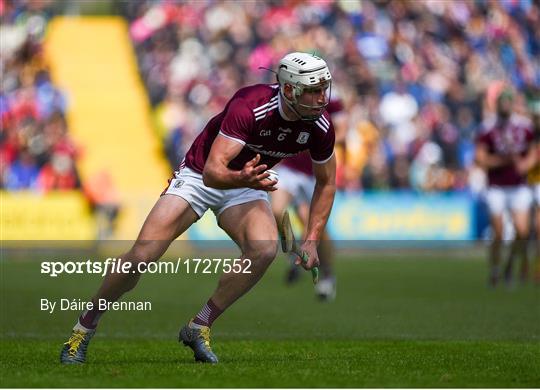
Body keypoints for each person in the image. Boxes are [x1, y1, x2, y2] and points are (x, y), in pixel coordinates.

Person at [60, 52, 336, 364]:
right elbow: (213, 172)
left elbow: (326, 183)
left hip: (247, 182)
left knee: (264, 250)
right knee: (141, 256)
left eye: (324, 88)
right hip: (201, 174)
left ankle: (199, 326)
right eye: (312, 91)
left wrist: (311, 239)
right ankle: (81, 331)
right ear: (288, 90)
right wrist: (243, 177)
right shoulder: (251, 105)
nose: (321, 98)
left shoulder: (321, 127)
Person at [475, 89, 535, 287]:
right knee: (499, 232)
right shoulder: (487, 128)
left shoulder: (524, 126)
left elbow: (534, 150)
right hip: (496, 186)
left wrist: (525, 164)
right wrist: (503, 160)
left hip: (519, 186)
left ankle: (511, 264)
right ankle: (494, 269)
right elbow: (481, 159)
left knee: (522, 231)